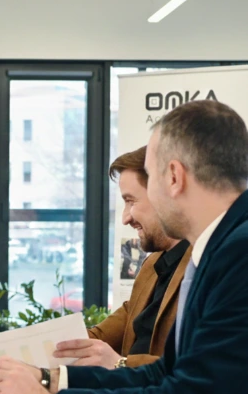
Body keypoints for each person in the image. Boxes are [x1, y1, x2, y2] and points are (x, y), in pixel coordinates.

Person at [0, 100, 248, 394]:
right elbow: (166, 374)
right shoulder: (219, 246)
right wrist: (54, 382)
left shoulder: (239, 254)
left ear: (174, 176)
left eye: (150, 178)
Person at [53, 146, 192, 368]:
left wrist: (120, 363)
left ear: (164, 194)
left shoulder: (204, 267)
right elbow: (114, 327)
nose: (126, 218)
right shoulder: (153, 265)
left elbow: (194, 369)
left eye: (131, 201)